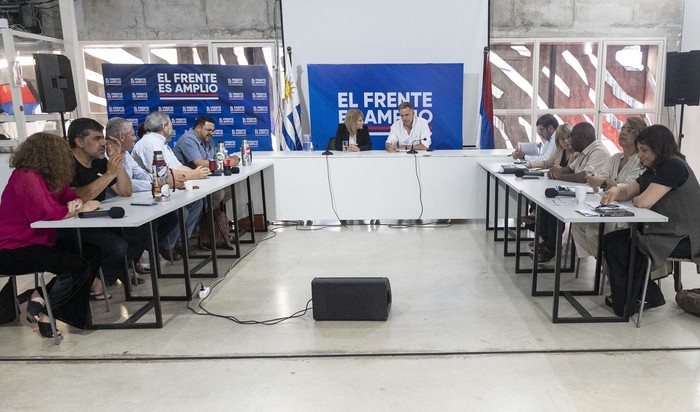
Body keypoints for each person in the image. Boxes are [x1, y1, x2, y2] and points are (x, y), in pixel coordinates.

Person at [0, 133, 103, 338]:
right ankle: (47, 313)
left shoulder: (53, 178)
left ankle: (39, 296)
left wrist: (76, 203)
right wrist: (75, 210)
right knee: (76, 266)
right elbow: (44, 213)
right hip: (13, 248)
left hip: (41, 242)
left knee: (92, 252)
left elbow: (70, 197)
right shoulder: (25, 176)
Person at [601, 125, 700, 316]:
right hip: (667, 232)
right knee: (612, 240)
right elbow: (628, 191)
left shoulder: (674, 165)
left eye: (644, 150)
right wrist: (616, 191)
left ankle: (629, 301)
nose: (641, 155)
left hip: (685, 238)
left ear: (659, 147)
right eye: (639, 150)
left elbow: (643, 201)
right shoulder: (655, 169)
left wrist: (634, 198)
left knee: (623, 245)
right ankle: (640, 296)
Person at [66, 118, 137, 293]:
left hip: (100, 221)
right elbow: (77, 197)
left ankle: (100, 279)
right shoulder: (67, 165)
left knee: (143, 231)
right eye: (97, 139)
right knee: (118, 246)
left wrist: (115, 161)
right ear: (79, 142)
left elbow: (126, 191)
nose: (104, 143)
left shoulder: (98, 162)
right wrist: (108, 174)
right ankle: (89, 282)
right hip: (74, 225)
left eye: (103, 138)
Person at [105, 117, 179, 278]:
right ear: (121, 137)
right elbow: (125, 188)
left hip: (133, 203)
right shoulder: (105, 157)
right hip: (113, 209)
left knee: (170, 218)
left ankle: (132, 260)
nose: (135, 137)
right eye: (132, 135)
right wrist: (158, 184)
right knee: (146, 228)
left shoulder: (126, 154)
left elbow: (141, 174)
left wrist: (160, 182)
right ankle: (121, 268)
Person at [132, 111, 208, 261]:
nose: (172, 129)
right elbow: (162, 173)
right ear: (164, 126)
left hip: (167, 186)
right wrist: (193, 175)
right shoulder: (150, 143)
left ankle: (179, 242)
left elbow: (177, 166)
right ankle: (166, 245)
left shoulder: (162, 143)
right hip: (150, 191)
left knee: (198, 201)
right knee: (181, 210)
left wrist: (198, 172)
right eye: (171, 125)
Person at [534, 122, 610, 263]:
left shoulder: (598, 151)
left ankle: (552, 247)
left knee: (554, 208)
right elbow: (570, 168)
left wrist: (559, 176)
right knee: (545, 205)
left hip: (590, 199)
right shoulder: (583, 151)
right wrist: (555, 171)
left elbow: (584, 176)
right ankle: (548, 242)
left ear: (580, 136)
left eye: (572, 137)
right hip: (578, 195)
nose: (570, 141)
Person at [571, 117, 646, 259]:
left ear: (639, 136)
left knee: (594, 229)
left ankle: (610, 267)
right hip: (607, 205)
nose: (623, 132)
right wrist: (603, 183)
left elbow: (628, 187)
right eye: (622, 129)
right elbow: (598, 181)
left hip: (628, 210)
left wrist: (605, 183)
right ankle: (605, 263)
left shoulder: (640, 160)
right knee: (578, 223)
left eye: (629, 130)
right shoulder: (615, 158)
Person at [174, 115, 239, 206]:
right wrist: (226, 162)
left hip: (204, 178)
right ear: (198, 128)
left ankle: (214, 214)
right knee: (219, 194)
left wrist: (229, 158)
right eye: (209, 130)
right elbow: (199, 163)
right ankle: (205, 217)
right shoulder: (188, 139)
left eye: (213, 131)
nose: (211, 133)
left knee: (231, 189)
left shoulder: (207, 138)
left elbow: (216, 156)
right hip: (188, 180)